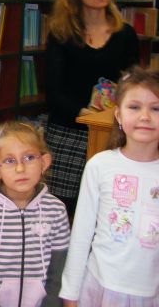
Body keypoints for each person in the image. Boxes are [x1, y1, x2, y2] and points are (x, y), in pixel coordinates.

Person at [45, 0, 139, 216]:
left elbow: (134, 86)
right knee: (64, 209)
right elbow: (53, 92)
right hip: (68, 132)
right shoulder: (61, 34)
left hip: (112, 131)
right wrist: (85, 115)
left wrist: (110, 118)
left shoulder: (125, 34)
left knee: (109, 204)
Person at [60, 67, 159, 306]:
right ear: (118, 116)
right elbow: (81, 234)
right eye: (134, 107)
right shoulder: (100, 166)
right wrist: (70, 293)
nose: (145, 116)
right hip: (99, 287)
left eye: (155, 108)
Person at [0, 121, 70, 307]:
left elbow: (59, 271)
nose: (20, 168)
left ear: (44, 163)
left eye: (29, 158)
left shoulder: (56, 211)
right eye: (10, 161)